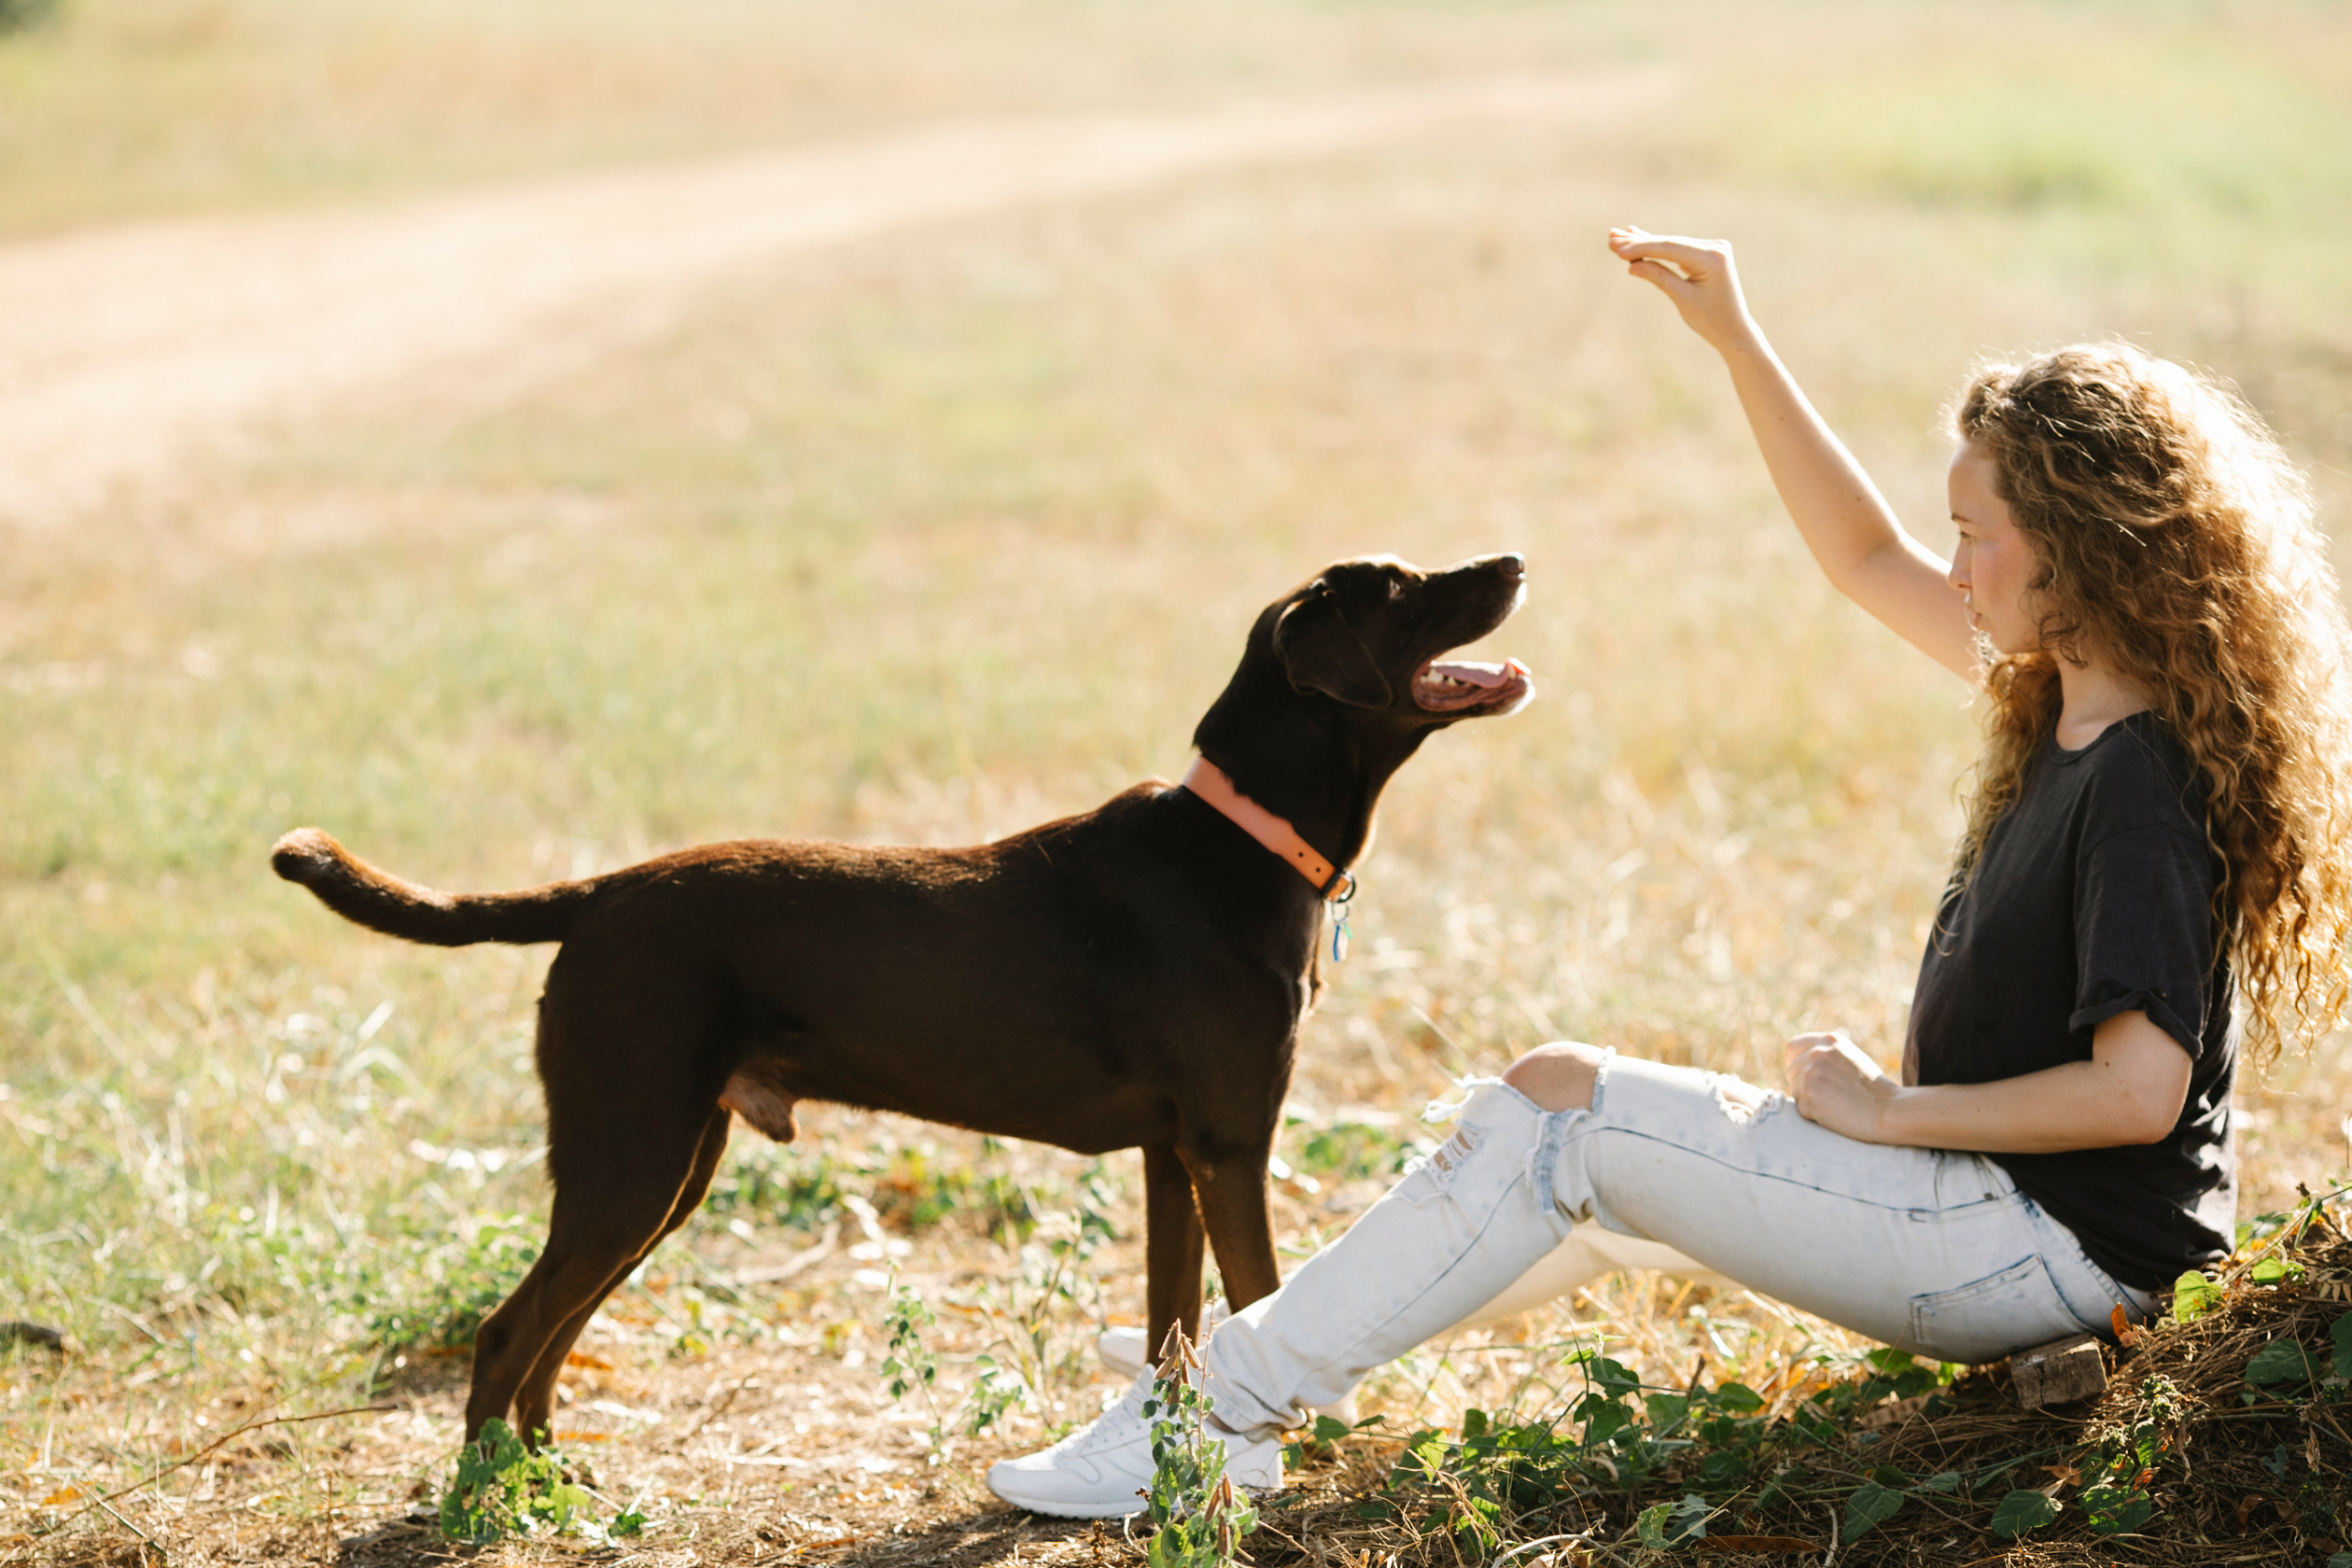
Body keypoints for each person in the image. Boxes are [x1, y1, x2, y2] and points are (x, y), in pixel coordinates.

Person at [987, 228, 2352, 1519]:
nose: (1952, 562)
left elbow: (2138, 1092)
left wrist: (1881, 1115)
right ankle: (1273, 1356)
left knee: (1563, 1108)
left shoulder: (2141, 781)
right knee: (1559, 1160)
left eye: (1978, 534)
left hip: (2048, 1254)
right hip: (2001, 1220)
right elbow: (1861, 556)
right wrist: (1737, 338)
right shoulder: (2064, 683)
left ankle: (1208, 1422)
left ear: (2087, 547)